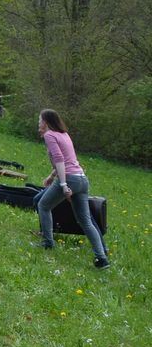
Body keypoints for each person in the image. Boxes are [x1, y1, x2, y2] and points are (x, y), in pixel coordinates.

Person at [34, 109, 108, 268]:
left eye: (40, 120)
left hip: (69, 179)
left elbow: (60, 160)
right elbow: (69, 159)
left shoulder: (50, 135)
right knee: (85, 221)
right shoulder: (64, 134)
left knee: (43, 205)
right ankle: (101, 258)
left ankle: (48, 242)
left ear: (46, 122)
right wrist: (51, 176)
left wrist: (63, 184)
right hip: (82, 179)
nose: (38, 123)